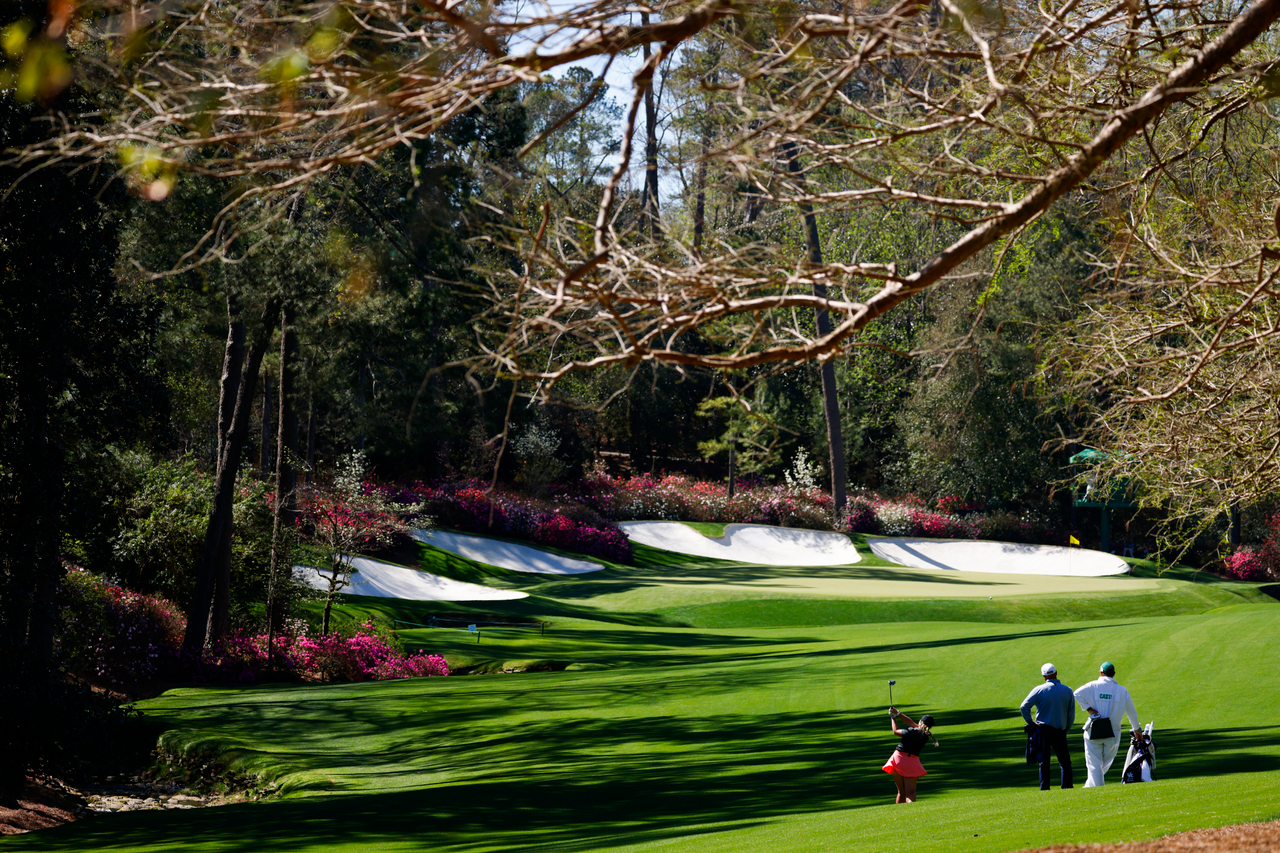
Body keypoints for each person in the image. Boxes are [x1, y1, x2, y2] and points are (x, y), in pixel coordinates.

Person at [1073, 661, 1140, 787]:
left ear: (1101, 673)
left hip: (1094, 731)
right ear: (1114, 674)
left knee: (1094, 764)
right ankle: (1093, 787)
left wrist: (1089, 709)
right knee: (1103, 764)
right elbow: (1132, 712)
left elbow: (1077, 693)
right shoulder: (1122, 691)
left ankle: (1092, 787)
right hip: (1113, 734)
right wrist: (1137, 729)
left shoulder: (1093, 686)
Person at [1019, 662, 1075, 789]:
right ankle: (1067, 788)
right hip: (1060, 731)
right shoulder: (1067, 690)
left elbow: (1024, 707)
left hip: (1042, 731)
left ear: (1044, 676)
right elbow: (1071, 715)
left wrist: (1031, 723)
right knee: (1065, 762)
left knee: (1044, 763)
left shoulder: (1039, 690)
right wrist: (1066, 730)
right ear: (1056, 673)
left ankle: (1045, 789)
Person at [883, 707, 937, 803]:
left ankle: (899, 813)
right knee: (911, 793)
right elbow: (912, 723)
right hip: (911, 762)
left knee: (901, 792)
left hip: (898, 759)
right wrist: (898, 713)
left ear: (920, 722)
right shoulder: (925, 736)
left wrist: (893, 717)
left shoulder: (912, 731)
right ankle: (911, 811)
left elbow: (896, 731)